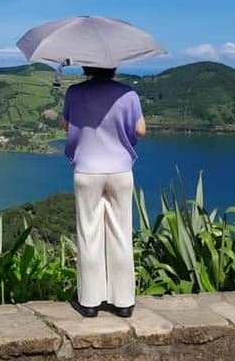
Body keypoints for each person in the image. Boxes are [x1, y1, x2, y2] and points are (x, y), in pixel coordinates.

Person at [61, 65, 146, 318]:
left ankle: (89, 302)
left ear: (87, 65)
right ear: (114, 65)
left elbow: (66, 126)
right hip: (120, 170)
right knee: (120, 233)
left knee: (89, 234)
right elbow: (141, 130)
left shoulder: (74, 92)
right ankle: (124, 302)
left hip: (87, 170)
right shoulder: (128, 94)